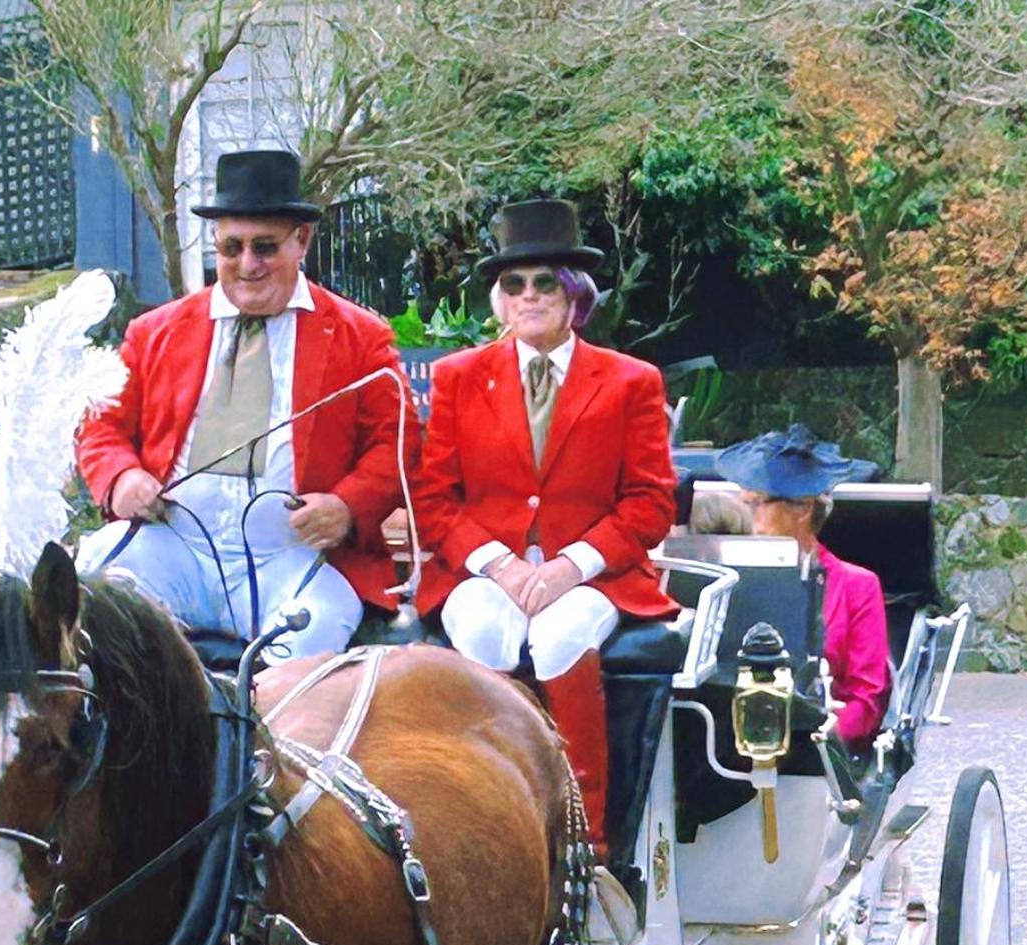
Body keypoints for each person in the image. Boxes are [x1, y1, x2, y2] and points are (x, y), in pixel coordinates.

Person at [412, 199, 677, 857]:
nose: (528, 296)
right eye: (513, 283)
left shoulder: (630, 382)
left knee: (558, 634)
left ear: (573, 294)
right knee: (481, 630)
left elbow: (650, 504)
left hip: (593, 571)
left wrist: (569, 566)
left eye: (544, 282)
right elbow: (434, 497)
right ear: (498, 300)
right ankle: (479, 811)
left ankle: (586, 831)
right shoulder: (455, 378)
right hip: (486, 567)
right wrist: (500, 565)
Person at [76, 149, 414, 656]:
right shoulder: (153, 332)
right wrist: (120, 478)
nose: (247, 265)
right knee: (88, 610)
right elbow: (101, 426)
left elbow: (399, 443)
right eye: (232, 248)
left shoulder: (360, 337)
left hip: (292, 557)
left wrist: (346, 505)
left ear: (302, 241)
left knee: (315, 635)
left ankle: (263, 738)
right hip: (174, 547)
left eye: (265, 247)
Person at [715, 424, 890, 747]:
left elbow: (867, 700)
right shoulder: (725, 578)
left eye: (756, 504)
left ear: (803, 508)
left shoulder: (857, 585)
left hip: (813, 744)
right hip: (725, 738)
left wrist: (824, 733)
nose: (746, 515)